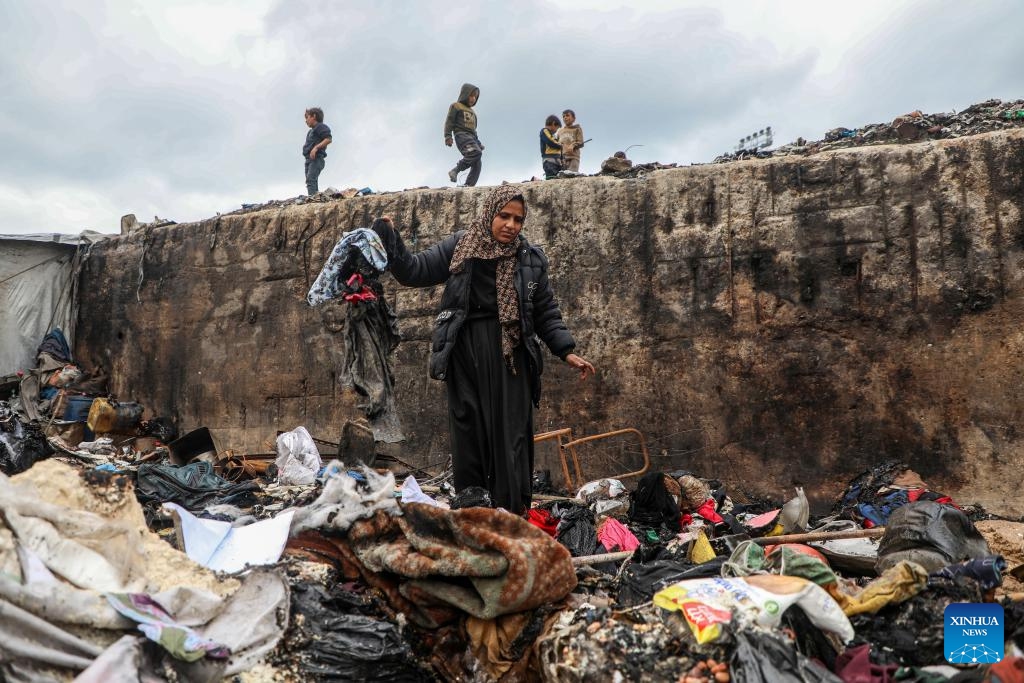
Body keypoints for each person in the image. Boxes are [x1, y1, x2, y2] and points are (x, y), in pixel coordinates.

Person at [373, 185, 595, 514]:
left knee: (511, 435)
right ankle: (474, 509)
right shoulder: (461, 245)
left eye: (518, 219)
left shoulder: (530, 259)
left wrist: (566, 351)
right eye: (504, 216)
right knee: (468, 430)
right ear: (489, 213)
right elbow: (413, 271)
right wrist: (390, 237)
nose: (511, 225)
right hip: (464, 350)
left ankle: (510, 511)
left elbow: (545, 311)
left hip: (511, 353)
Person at [444, 83, 483, 187]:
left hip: (471, 138)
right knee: (475, 153)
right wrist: (448, 136)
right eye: (471, 95)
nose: (473, 98)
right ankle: (455, 170)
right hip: (461, 136)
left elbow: (474, 131)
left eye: (475, 96)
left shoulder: (473, 113)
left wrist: (478, 143)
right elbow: (449, 121)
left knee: (477, 162)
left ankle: (469, 186)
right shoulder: (456, 106)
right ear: (465, 94)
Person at [303, 107, 332, 195]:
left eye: (307, 117)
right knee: (309, 181)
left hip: (317, 158)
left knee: (311, 179)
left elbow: (328, 139)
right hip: (308, 160)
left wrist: (316, 148)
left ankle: (313, 199)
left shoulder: (320, 126)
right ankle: (314, 197)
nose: (306, 121)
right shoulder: (310, 132)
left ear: (314, 116)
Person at [540, 115, 563, 180]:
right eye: (557, 128)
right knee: (551, 178)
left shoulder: (553, 136)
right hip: (549, 162)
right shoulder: (544, 131)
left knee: (558, 179)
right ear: (553, 123)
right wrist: (561, 145)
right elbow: (550, 141)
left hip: (557, 162)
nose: (556, 131)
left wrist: (562, 159)